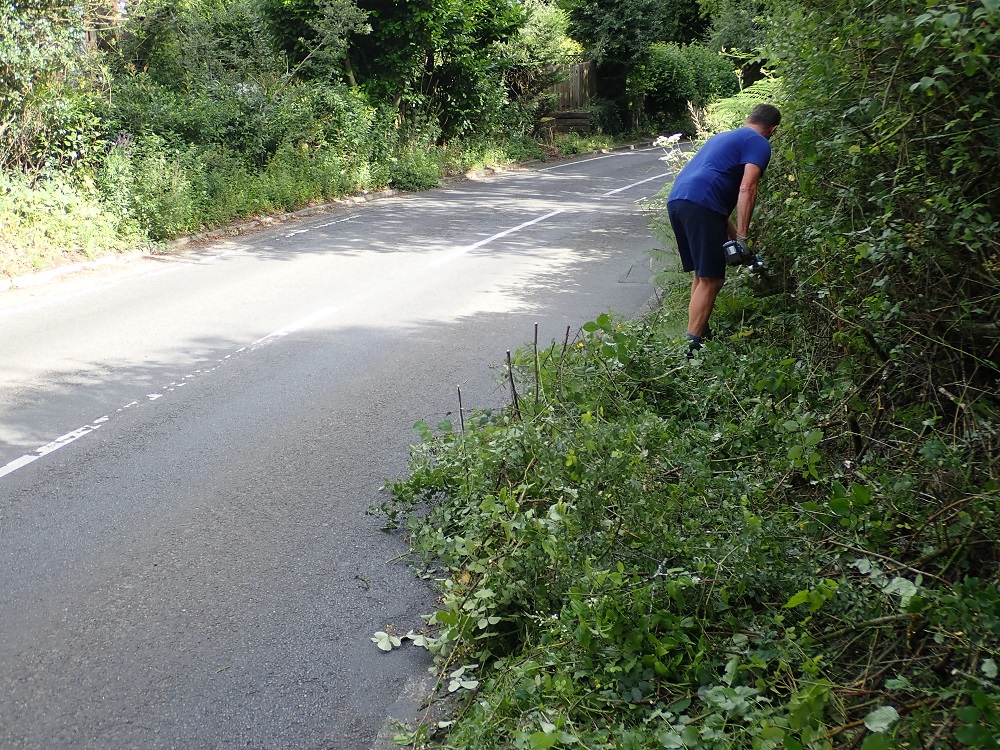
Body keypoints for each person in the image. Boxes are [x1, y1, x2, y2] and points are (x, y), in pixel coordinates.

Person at [666, 103, 781, 353]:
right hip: (701, 203)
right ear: (772, 129)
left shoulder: (724, 137)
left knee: (702, 274)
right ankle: (689, 350)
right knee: (713, 280)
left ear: (748, 118)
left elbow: (716, 209)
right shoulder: (759, 142)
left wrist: (741, 246)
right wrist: (742, 235)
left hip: (679, 200)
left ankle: (699, 332)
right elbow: (747, 187)